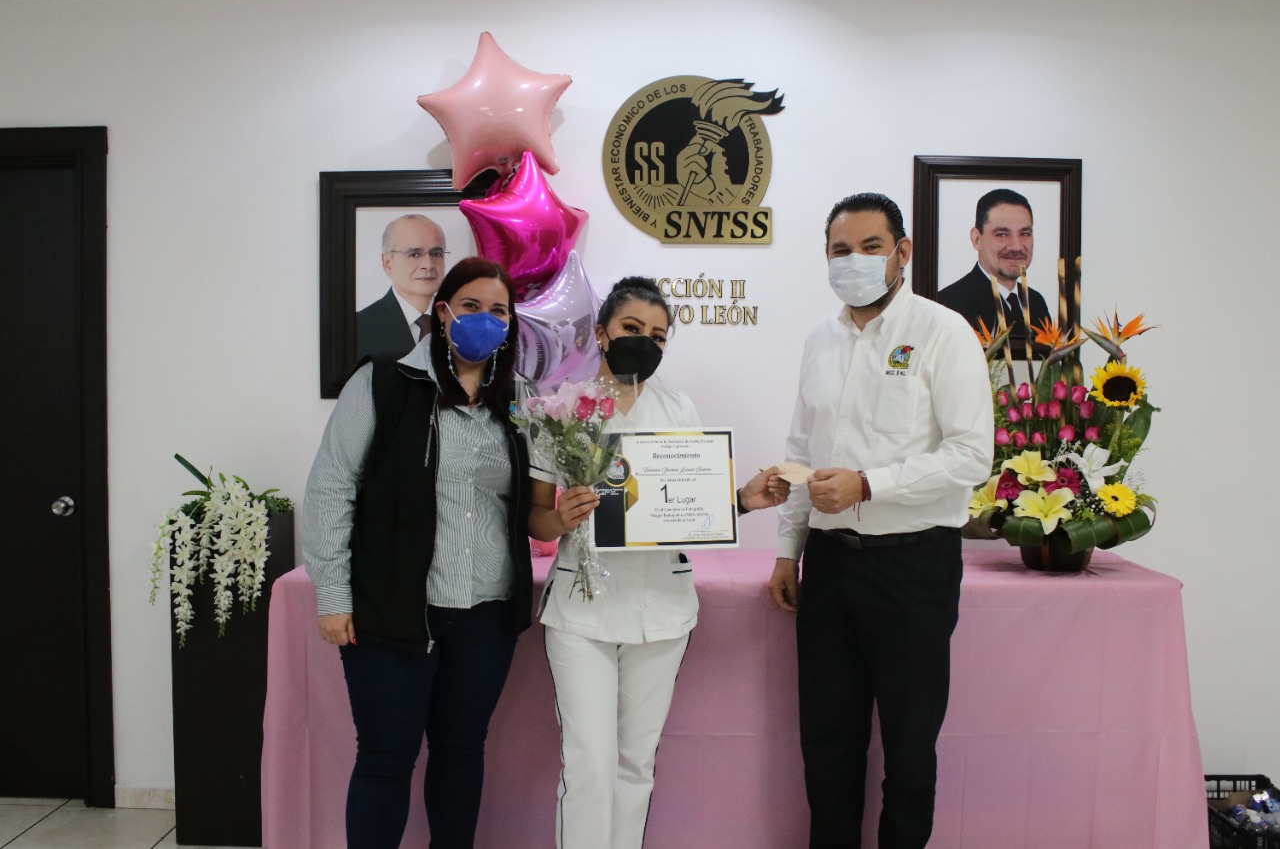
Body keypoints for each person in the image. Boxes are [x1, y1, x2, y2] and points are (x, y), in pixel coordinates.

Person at [526, 276, 789, 849]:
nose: (644, 341)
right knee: (589, 764)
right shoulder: (559, 410)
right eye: (631, 328)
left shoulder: (679, 408)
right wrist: (562, 518)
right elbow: (535, 518)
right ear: (601, 333)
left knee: (634, 765)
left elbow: (689, 508)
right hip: (583, 613)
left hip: (662, 610)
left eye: (658, 335)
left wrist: (744, 501)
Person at [767, 194, 993, 849]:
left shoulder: (943, 331)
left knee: (909, 751)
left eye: (871, 247)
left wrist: (869, 484)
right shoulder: (820, 339)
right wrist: (788, 549)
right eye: (841, 250)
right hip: (829, 565)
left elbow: (971, 455)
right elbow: (802, 451)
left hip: (913, 566)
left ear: (903, 252)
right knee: (827, 747)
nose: (855, 261)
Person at [303, 257, 532, 849]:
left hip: (485, 612)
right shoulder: (382, 382)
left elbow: (529, 502)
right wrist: (333, 595)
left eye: (499, 311)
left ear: (511, 324)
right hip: (393, 608)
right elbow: (331, 487)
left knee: (461, 750)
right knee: (386, 757)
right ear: (443, 312)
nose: (484, 320)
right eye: (471, 306)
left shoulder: (518, 401)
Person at [936, 188, 1051, 339]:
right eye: (1002, 234)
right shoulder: (949, 305)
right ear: (977, 239)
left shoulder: (1036, 303)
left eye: (1025, 234)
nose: (1016, 246)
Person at [355, 214, 448, 360]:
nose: (428, 265)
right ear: (387, 263)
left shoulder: (460, 322)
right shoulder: (357, 329)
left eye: (436, 253)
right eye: (414, 254)